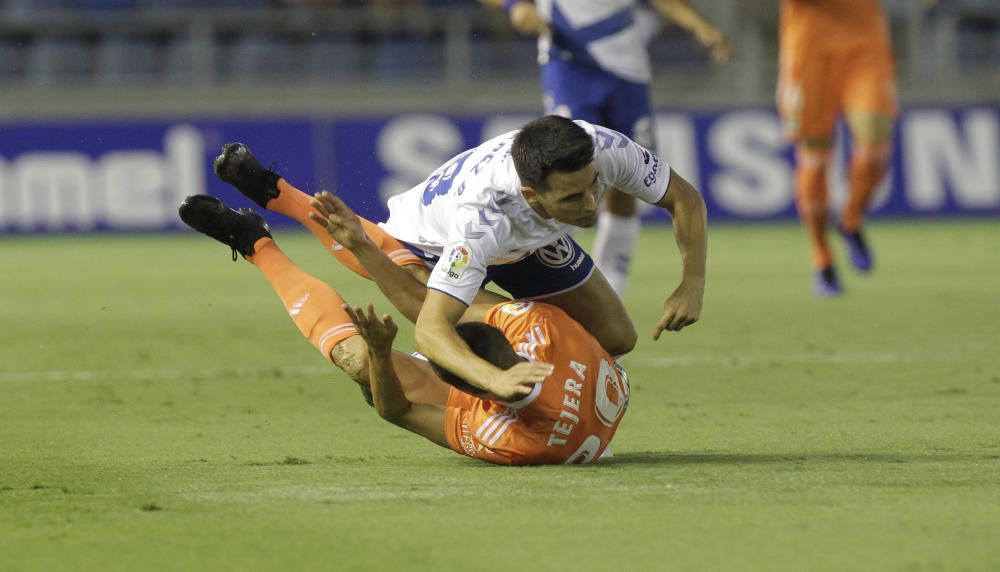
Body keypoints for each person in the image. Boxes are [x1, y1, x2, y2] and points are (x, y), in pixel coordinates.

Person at [214, 114, 707, 402]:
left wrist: (692, 282)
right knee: (428, 310)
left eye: (594, 186)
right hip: (428, 237)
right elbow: (431, 326)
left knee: (618, 337)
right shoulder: (481, 220)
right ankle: (276, 203)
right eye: (574, 198)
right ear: (533, 194)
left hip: (527, 241)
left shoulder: (600, 149)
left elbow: (684, 199)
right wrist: (497, 377)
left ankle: (275, 198)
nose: (593, 204)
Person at [177, 192, 629, 465]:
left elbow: (397, 411)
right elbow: (424, 306)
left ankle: (256, 244)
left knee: (358, 364)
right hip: (544, 380)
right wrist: (360, 244)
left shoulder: (512, 439)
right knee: (425, 290)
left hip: (533, 415)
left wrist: (378, 354)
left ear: (478, 398)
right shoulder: (538, 323)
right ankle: (278, 197)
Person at [483, 0, 729, 296]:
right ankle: (552, 277)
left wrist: (698, 25)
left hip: (628, 68)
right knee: (563, 169)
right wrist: (514, 6)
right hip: (569, 62)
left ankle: (613, 287)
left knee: (629, 179)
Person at [777, 0, 902, 295]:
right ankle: (822, 259)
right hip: (809, 43)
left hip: (864, 41)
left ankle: (850, 219)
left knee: (875, 142)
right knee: (815, 155)